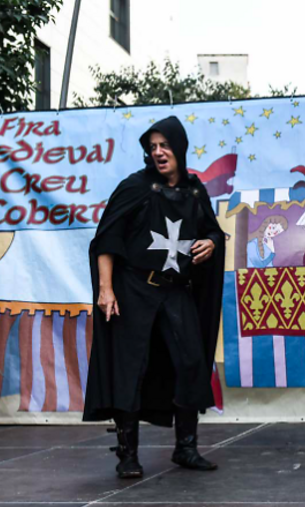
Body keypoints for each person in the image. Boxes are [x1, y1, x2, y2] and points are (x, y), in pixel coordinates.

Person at [83, 116, 225, 479]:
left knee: (191, 361)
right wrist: (105, 288)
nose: (158, 152)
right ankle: (127, 454)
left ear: (179, 147)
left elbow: (212, 230)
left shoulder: (195, 191)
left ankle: (186, 448)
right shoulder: (135, 187)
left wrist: (211, 242)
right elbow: (106, 239)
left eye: (165, 145)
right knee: (130, 367)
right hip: (134, 288)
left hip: (175, 290)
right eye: (153, 147)